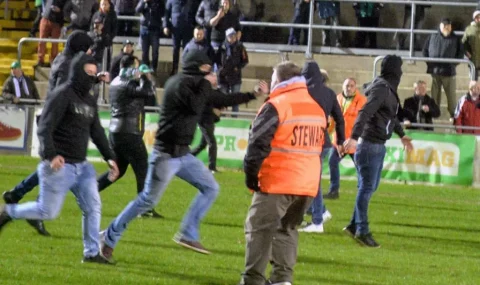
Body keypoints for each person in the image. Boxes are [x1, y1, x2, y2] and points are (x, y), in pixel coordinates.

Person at [99, 50, 267, 260]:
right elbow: (196, 103)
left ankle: (188, 233)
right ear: (197, 67)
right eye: (207, 68)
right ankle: (108, 236)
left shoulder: (196, 85)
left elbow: (222, 98)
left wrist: (252, 94)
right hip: (166, 155)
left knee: (211, 187)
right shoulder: (178, 84)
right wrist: (207, 84)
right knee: (147, 201)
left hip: (182, 154)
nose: (210, 72)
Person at [0, 53, 120, 264]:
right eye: (88, 73)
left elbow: (97, 131)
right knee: (47, 211)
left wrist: (110, 157)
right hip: (58, 166)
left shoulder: (89, 100)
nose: (92, 77)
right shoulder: (62, 95)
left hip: (82, 167)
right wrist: (51, 155)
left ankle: (91, 253)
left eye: (94, 73)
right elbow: (44, 127)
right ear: (77, 72)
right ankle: (8, 212)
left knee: (93, 207)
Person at [240, 61, 327, 285]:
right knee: (287, 230)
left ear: (279, 80)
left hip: (278, 180)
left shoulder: (277, 105)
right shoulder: (315, 107)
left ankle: (252, 281)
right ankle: (282, 280)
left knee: (259, 230)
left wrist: (251, 177)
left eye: (272, 77)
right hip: (307, 185)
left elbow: (257, 145)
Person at [2, 31, 95, 237]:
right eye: (87, 48)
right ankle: (32, 208)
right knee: (56, 164)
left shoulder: (63, 60)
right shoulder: (67, 65)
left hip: (54, 117)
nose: (90, 52)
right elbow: (67, 92)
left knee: (53, 165)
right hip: (58, 120)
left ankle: (18, 194)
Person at [343, 55, 413, 248]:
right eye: (399, 68)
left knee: (368, 187)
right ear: (394, 70)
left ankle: (353, 224)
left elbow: (389, 116)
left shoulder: (385, 88)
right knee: (366, 188)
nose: (401, 72)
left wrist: (401, 134)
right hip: (369, 144)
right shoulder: (382, 88)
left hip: (377, 144)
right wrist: (355, 137)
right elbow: (365, 112)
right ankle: (362, 230)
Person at [96, 55, 163, 218]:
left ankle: (88, 191)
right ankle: (144, 208)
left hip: (117, 132)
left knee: (118, 170)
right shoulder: (128, 83)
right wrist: (145, 77)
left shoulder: (116, 82)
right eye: (136, 66)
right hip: (129, 133)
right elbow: (148, 93)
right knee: (143, 169)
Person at [297, 60, 345, 234]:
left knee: (311, 181)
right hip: (324, 142)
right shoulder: (330, 94)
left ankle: (318, 221)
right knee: (310, 180)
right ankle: (321, 212)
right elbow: (340, 119)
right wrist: (340, 141)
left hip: (308, 141)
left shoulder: (303, 92)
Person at [324, 78, 366, 200]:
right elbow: (332, 120)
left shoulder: (362, 101)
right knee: (333, 162)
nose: (349, 88)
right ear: (343, 87)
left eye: (351, 86)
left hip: (354, 141)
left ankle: (362, 190)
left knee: (360, 167)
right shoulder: (337, 98)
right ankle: (334, 190)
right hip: (340, 141)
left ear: (355, 87)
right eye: (347, 86)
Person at [423, 18, 464, 118]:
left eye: (448, 25)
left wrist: (453, 64)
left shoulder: (456, 39)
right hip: (435, 71)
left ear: (451, 27)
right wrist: (430, 64)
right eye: (444, 25)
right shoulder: (432, 36)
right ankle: (434, 115)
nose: (446, 27)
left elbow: (460, 54)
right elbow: (425, 50)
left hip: (449, 72)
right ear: (440, 26)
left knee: (451, 98)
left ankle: (454, 116)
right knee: (435, 97)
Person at [217, 27, 249, 117]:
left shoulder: (240, 47)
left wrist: (237, 68)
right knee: (223, 99)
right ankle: (222, 117)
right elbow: (216, 59)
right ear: (226, 37)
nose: (232, 38)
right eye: (230, 36)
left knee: (235, 99)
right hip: (223, 76)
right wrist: (220, 69)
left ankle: (234, 117)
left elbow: (245, 60)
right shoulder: (222, 47)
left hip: (235, 76)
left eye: (233, 36)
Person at [163, 0, 196, 75]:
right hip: (175, 29)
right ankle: (174, 69)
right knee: (175, 49)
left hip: (188, 30)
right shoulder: (171, 1)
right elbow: (166, 14)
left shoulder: (191, 2)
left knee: (187, 50)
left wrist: (194, 27)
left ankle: (186, 69)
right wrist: (165, 26)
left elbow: (196, 14)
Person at [37, 0, 70, 67]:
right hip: (45, 18)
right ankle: (40, 60)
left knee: (55, 43)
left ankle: (53, 61)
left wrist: (60, 11)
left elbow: (67, 10)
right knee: (41, 40)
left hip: (57, 21)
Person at [136, 0, 165, 74]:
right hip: (144, 29)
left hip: (155, 29)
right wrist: (144, 2)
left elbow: (162, 13)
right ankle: (145, 67)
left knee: (155, 51)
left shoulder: (159, 2)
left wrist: (155, 6)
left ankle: (154, 68)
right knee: (144, 51)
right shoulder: (143, 1)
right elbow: (137, 10)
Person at [91, 0, 117, 70]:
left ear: (109, 5)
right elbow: (91, 28)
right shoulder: (96, 14)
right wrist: (96, 33)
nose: (104, 6)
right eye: (102, 4)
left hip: (107, 42)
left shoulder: (112, 15)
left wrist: (109, 37)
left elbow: (114, 30)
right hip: (96, 42)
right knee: (95, 60)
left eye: (105, 4)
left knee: (107, 61)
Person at [463, 11, 480, 80]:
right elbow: (464, 43)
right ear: (474, 18)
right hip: (473, 59)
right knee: (473, 81)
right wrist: (466, 52)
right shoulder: (469, 29)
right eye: (477, 17)